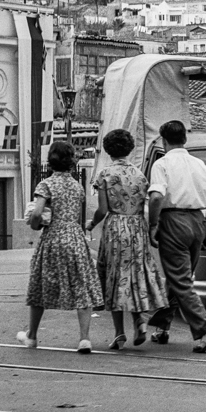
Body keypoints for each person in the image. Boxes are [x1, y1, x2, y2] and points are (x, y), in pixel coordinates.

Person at [146, 120, 206, 352]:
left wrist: (153, 225)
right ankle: (162, 326)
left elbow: (157, 197)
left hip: (173, 222)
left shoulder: (162, 164)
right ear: (185, 139)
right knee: (179, 277)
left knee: (180, 280)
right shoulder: (200, 165)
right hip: (198, 222)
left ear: (163, 140)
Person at [18, 141, 103, 352]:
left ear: (51, 161)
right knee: (81, 284)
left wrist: (35, 224)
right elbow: (80, 215)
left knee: (39, 284)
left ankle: (32, 336)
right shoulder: (77, 186)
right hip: (75, 237)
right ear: (71, 161)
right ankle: (84, 338)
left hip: (53, 237)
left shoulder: (46, 185)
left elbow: (37, 213)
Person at [88, 128, 168, 352]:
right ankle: (139, 322)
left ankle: (119, 333)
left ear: (108, 149)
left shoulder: (105, 174)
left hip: (115, 228)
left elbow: (102, 209)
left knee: (115, 277)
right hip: (137, 227)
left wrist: (91, 223)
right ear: (130, 148)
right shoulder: (140, 175)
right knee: (135, 275)